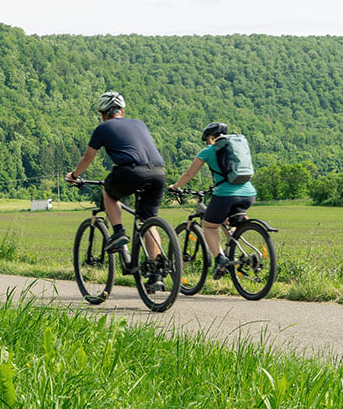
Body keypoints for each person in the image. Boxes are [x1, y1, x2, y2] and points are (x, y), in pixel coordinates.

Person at [65, 91, 166, 255]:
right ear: (122, 111)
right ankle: (156, 272)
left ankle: (118, 231)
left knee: (108, 192)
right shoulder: (139, 123)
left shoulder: (103, 128)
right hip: (158, 173)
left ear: (103, 114)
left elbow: (87, 158)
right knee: (147, 222)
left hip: (132, 171)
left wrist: (74, 176)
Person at [168, 122, 257, 277]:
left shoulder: (209, 150)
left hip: (226, 195)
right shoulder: (237, 148)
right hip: (249, 193)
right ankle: (233, 252)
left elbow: (189, 174)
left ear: (210, 137)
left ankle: (220, 259)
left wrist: (175, 186)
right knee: (227, 220)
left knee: (208, 226)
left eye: (207, 139)